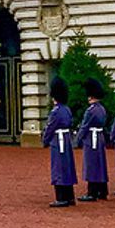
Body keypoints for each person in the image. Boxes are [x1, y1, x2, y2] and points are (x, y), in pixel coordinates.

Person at [42, 76, 77, 208]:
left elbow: (50, 127)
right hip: (66, 140)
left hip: (58, 141)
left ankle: (61, 197)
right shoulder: (66, 109)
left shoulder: (56, 111)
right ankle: (69, 196)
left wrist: (45, 140)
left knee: (58, 168)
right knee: (67, 167)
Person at [75, 77, 108, 201]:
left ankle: (92, 192)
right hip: (99, 138)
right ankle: (102, 190)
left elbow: (84, 126)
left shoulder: (91, 110)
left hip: (91, 139)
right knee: (100, 164)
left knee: (91, 165)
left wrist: (77, 140)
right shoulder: (101, 109)